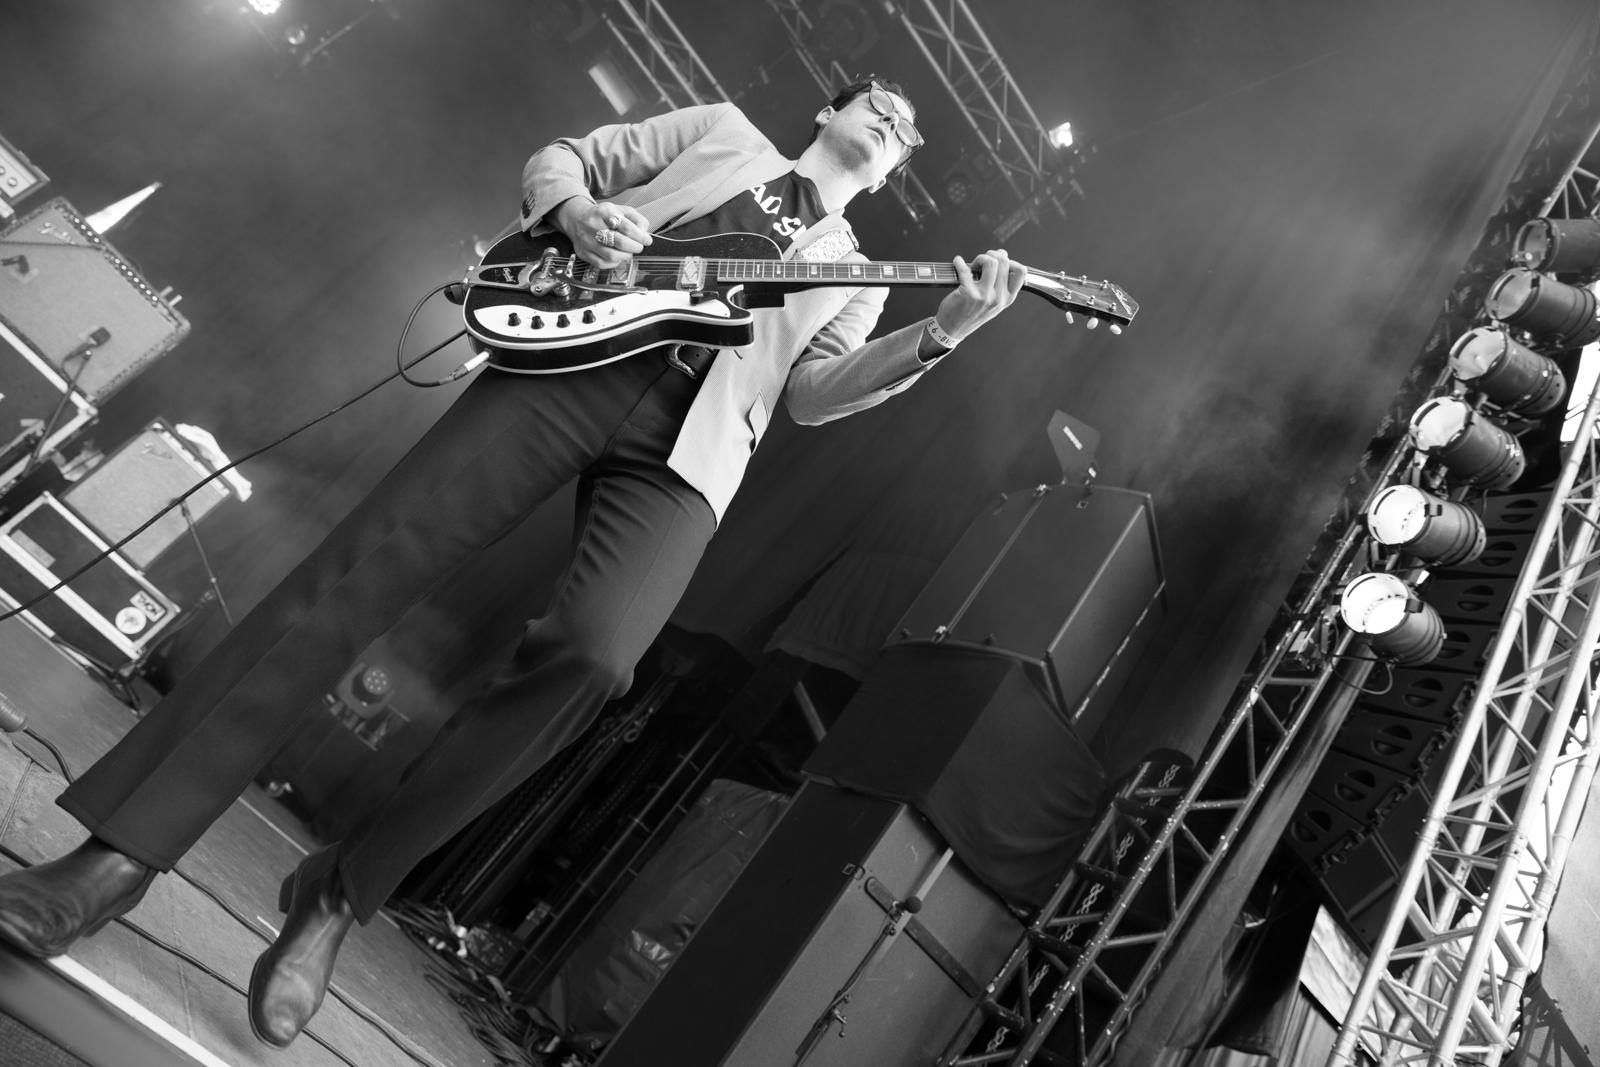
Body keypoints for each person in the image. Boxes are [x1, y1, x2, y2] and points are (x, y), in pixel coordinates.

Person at [0, 76, 1027, 1046]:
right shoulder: (723, 132)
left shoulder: (854, 272)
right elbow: (569, 155)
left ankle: (342, 890)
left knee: (596, 658)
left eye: (906, 131)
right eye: (880, 102)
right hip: (572, 356)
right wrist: (577, 213)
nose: (893, 121)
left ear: (893, 172)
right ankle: (118, 856)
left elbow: (814, 393)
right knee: (359, 575)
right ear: (831, 110)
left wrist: (943, 332)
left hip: (690, 450)